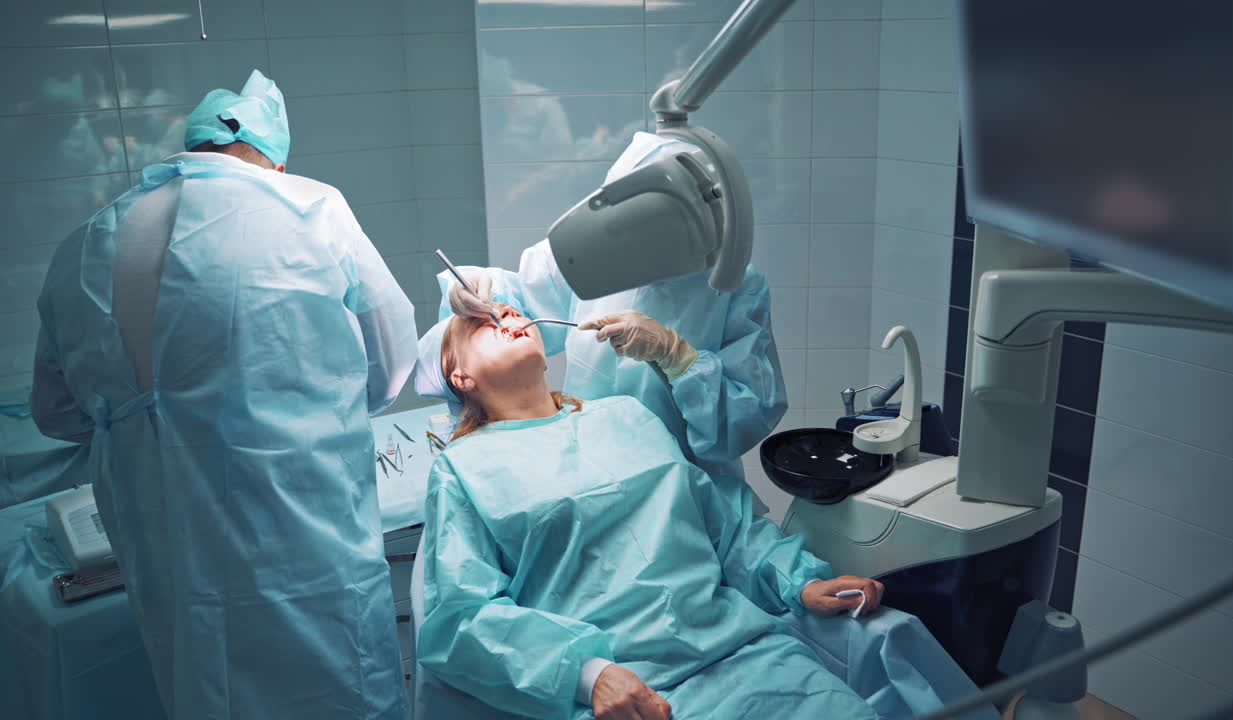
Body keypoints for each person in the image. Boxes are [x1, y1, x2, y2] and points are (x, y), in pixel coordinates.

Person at [30, 70, 416, 719]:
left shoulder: (83, 246)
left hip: (170, 557)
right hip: (306, 541)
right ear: (276, 158)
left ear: (193, 147)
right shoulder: (308, 207)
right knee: (341, 689)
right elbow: (390, 364)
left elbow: (57, 413)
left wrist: (151, 426)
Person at [417, 305, 885, 720]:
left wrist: (800, 580)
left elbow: (724, 526)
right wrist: (588, 675)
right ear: (460, 377)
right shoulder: (463, 468)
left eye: (512, 310)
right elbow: (462, 617)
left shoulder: (627, 416)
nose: (508, 317)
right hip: (626, 695)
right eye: (482, 323)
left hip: (747, 657)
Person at [414, 132, 784, 509]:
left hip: (685, 487)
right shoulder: (593, 248)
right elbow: (510, 307)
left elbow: (743, 419)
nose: (508, 318)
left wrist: (680, 359)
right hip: (589, 472)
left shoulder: (734, 283)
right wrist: (485, 291)